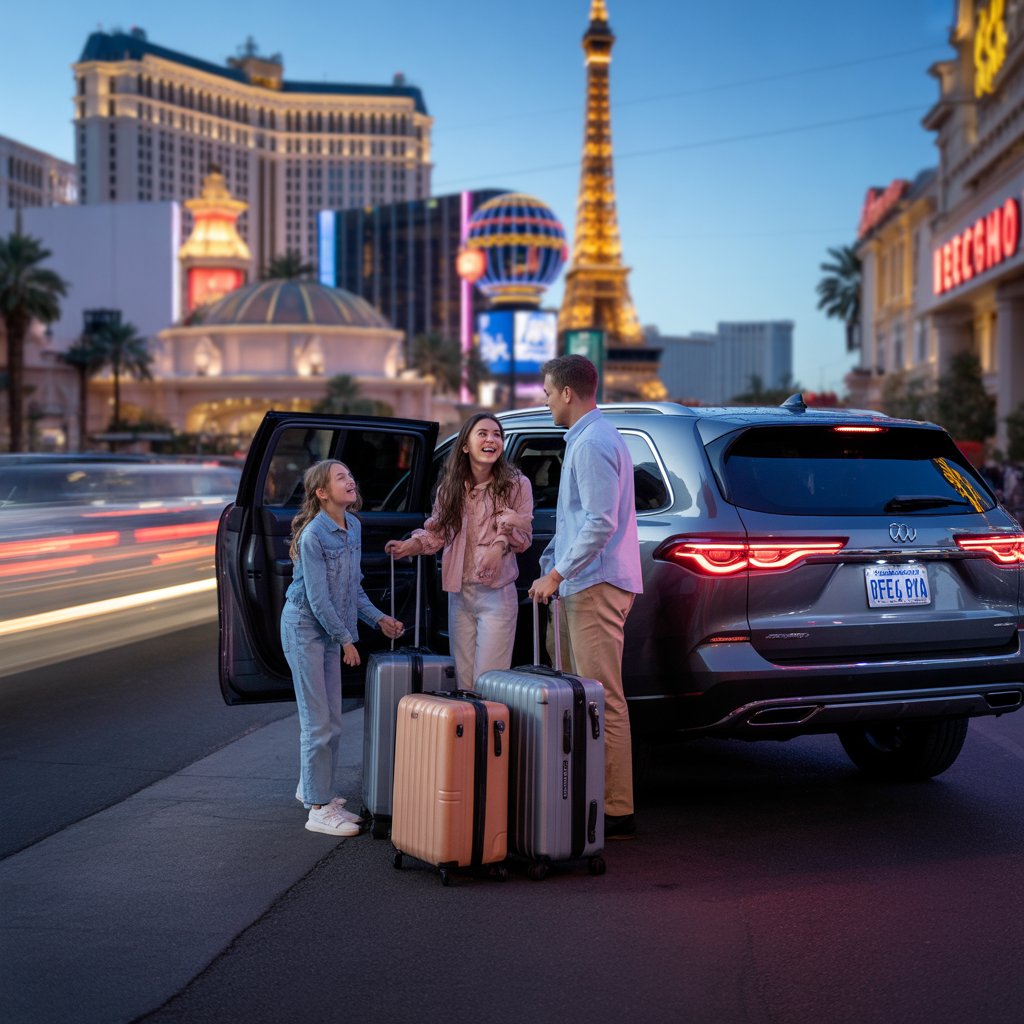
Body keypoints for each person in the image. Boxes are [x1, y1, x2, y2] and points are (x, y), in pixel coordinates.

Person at [527, 354, 643, 840]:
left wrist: (554, 573)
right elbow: (576, 521)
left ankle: (615, 808)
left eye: (549, 393)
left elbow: (600, 522)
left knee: (600, 700)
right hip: (581, 584)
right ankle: (588, 797)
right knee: (582, 696)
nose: (546, 400)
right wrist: (549, 567)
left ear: (568, 393)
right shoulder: (587, 439)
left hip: (594, 585)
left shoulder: (593, 442)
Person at [282, 459, 404, 837]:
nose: (350, 480)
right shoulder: (313, 535)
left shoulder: (352, 526)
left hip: (328, 630)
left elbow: (352, 589)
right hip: (304, 628)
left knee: (333, 723)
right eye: (340, 478)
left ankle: (313, 790)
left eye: (350, 475)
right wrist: (346, 639)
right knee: (317, 725)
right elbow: (318, 600)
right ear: (322, 493)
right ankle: (318, 808)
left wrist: (377, 618)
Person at [385, 413, 533, 689]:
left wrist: (498, 546)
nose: (492, 439)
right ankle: (471, 731)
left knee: (489, 681)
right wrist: (411, 546)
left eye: (497, 434)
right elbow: (437, 533)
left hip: (497, 595)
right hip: (459, 595)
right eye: (483, 434)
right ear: (465, 445)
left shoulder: (517, 484)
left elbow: (524, 537)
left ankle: (490, 732)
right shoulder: (450, 489)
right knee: (464, 682)